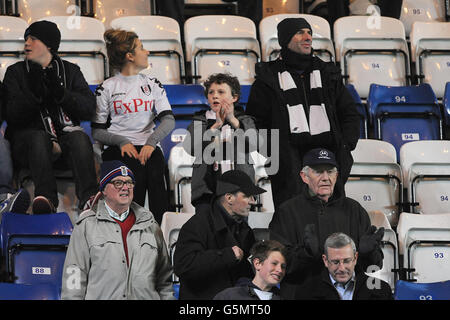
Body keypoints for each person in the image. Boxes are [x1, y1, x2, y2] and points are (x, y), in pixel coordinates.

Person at [245, 17, 360, 209]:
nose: (307, 37)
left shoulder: (328, 74)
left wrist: (346, 144)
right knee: (293, 220)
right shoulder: (268, 78)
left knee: (331, 218)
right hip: (287, 163)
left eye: (309, 32)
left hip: (329, 156)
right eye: (300, 32)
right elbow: (256, 121)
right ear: (285, 40)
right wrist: (275, 152)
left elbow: (349, 112)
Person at [3, 20, 98, 214]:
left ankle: (89, 199)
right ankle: (46, 199)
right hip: (27, 147)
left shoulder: (70, 71)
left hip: (64, 142)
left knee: (79, 138)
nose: (26, 43)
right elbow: (11, 113)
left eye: (33, 39)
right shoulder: (15, 72)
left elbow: (89, 108)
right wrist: (35, 96)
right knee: (39, 137)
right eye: (26, 38)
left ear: (49, 45)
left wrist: (62, 94)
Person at [269, 148, 384, 299]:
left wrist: (369, 254)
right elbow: (278, 266)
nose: (325, 178)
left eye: (330, 172)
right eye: (318, 172)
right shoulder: (287, 211)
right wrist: (305, 254)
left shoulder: (354, 210)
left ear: (336, 176)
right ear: (304, 176)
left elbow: (374, 267)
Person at [92, 29, 175, 225]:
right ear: (130, 56)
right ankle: (126, 231)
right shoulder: (107, 88)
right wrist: (122, 141)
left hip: (148, 146)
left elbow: (169, 120)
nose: (147, 52)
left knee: (156, 173)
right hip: (117, 148)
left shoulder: (152, 84)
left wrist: (151, 142)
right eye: (141, 48)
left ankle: (158, 233)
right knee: (131, 176)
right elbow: (97, 131)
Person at [61, 160, 174, 300]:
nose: (125, 187)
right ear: (104, 190)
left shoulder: (150, 225)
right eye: (118, 183)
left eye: (129, 182)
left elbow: (164, 281)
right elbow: (74, 281)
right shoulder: (86, 226)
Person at [173, 170, 266, 300]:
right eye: (247, 196)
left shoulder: (245, 230)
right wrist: (227, 255)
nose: (253, 201)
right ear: (229, 198)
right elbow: (184, 266)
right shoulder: (197, 224)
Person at [182, 73, 256, 209]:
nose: (215, 96)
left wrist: (233, 120)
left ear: (234, 97)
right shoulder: (200, 120)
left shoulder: (244, 120)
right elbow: (192, 148)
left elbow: (253, 143)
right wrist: (215, 126)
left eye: (221, 92)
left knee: (238, 229)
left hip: (239, 189)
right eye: (211, 92)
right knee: (206, 228)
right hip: (206, 191)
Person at [296, 232, 393, 300]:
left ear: (355, 258)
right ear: (325, 260)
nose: (341, 268)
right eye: (335, 262)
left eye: (346, 261)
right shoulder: (306, 292)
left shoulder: (381, 290)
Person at [213, 239, 287, 300]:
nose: (280, 270)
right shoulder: (229, 296)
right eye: (274, 263)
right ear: (257, 264)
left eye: (283, 266)